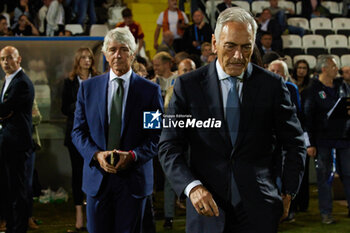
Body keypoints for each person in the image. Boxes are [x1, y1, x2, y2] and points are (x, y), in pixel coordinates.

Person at [158, 7, 306, 233]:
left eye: (246, 47)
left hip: (260, 211)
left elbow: (294, 142)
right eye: (230, 46)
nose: (238, 55)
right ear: (215, 43)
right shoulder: (186, 86)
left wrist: (289, 192)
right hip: (205, 211)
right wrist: (192, 187)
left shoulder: (273, 86)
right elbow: (169, 145)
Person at [71, 27, 163, 233]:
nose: (118, 55)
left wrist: (133, 155)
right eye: (112, 50)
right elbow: (78, 132)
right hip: (97, 181)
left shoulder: (149, 91)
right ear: (104, 54)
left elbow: (155, 136)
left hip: (133, 182)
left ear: (132, 53)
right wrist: (96, 155)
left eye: (123, 49)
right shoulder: (88, 88)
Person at [303, 55, 350, 224]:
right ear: (324, 69)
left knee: (349, 174)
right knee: (324, 177)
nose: (336, 69)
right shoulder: (312, 90)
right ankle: (326, 213)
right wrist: (310, 143)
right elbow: (307, 118)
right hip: (323, 140)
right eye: (334, 66)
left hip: (344, 138)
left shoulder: (342, 85)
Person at [62, 47, 99, 232]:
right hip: (75, 135)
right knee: (78, 174)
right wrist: (82, 103)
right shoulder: (69, 82)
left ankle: (94, 214)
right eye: (83, 57)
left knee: (95, 173)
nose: (86, 60)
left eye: (89, 57)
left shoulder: (99, 79)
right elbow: (63, 108)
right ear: (78, 60)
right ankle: (79, 217)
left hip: (97, 136)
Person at [0, 46, 35, 233]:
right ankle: (11, 227)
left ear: (19, 59)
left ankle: (18, 228)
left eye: (9, 58)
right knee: (8, 189)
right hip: (8, 143)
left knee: (18, 191)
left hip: (17, 145)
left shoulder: (21, 82)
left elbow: (5, 110)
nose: (6, 62)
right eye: (3, 59)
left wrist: (4, 112)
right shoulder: (9, 80)